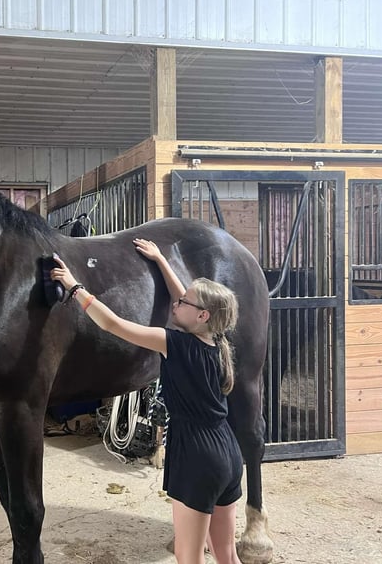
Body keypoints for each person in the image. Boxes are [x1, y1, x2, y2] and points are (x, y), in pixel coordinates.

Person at [51, 238, 244, 564]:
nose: (175, 304)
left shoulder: (173, 342)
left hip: (197, 457)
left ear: (202, 315)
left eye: (184, 303)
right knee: (227, 555)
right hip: (227, 452)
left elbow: (111, 323)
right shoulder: (217, 343)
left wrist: (73, 286)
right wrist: (160, 260)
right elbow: (183, 297)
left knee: (188, 557)